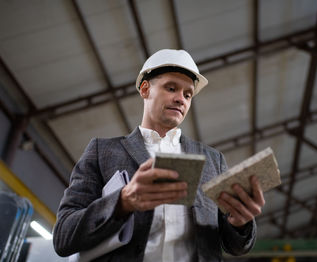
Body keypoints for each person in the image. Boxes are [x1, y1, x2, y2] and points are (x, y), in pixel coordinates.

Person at [53, 49, 266, 262]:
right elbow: (63, 236)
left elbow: (236, 247)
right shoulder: (103, 152)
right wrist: (123, 202)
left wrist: (239, 222)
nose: (181, 99)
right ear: (145, 89)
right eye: (171, 88)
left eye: (188, 94)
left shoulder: (213, 160)